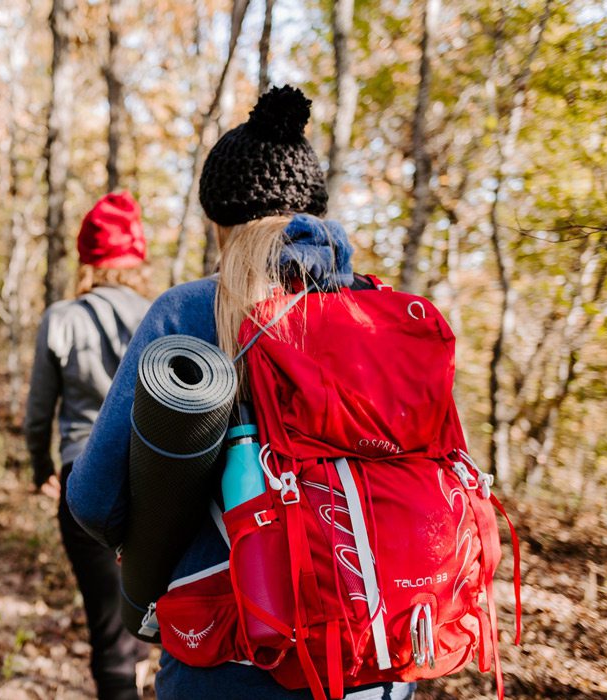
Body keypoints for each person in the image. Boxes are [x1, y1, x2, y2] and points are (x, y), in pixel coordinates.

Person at [66, 86, 417, 698]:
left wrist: (152, 541)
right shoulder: (389, 318)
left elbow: (94, 498)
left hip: (231, 658)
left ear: (218, 220)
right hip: (379, 653)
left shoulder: (189, 312)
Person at [25, 191, 153, 700]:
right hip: (156, 484)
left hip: (85, 485)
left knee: (108, 625)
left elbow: (39, 413)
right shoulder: (166, 314)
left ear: (87, 260)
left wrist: (42, 469)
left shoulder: (62, 317)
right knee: (146, 616)